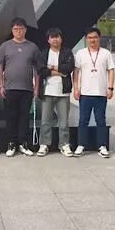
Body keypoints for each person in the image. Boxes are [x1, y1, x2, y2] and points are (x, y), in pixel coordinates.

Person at [0, 18, 40, 157]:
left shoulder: (32, 47)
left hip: (27, 88)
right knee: (11, 116)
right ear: (12, 30)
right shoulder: (5, 46)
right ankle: (11, 143)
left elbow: (37, 69)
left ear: (25, 30)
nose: (18, 31)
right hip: (9, 88)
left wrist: (37, 88)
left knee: (24, 117)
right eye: (16, 29)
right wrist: (1, 85)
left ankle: (23, 143)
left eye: (21, 29)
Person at [73, 27, 115, 158]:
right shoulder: (80, 53)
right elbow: (76, 72)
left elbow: (111, 70)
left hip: (101, 93)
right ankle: (81, 145)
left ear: (99, 38)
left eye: (95, 37)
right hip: (85, 93)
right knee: (83, 120)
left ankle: (102, 146)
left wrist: (110, 88)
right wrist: (76, 88)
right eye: (90, 38)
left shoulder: (106, 53)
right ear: (86, 39)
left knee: (101, 120)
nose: (92, 40)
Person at [36, 28, 75, 157]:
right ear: (48, 40)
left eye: (57, 37)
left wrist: (51, 67)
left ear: (61, 39)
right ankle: (44, 144)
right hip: (48, 91)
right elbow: (41, 70)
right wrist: (60, 72)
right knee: (45, 121)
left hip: (63, 92)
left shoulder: (67, 52)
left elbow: (69, 68)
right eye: (52, 37)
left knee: (64, 122)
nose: (55, 39)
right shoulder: (44, 53)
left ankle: (64, 144)